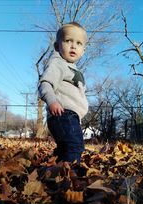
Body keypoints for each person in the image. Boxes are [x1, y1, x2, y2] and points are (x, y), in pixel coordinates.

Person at [38, 22, 88, 163]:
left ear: (83, 50)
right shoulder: (57, 64)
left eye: (78, 43)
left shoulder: (72, 68)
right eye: (68, 41)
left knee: (64, 148)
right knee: (75, 146)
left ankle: (53, 172)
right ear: (57, 46)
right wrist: (52, 101)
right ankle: (68, 177)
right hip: (62, 113)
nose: (73, 46)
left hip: (71, 116)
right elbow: (45, 83)